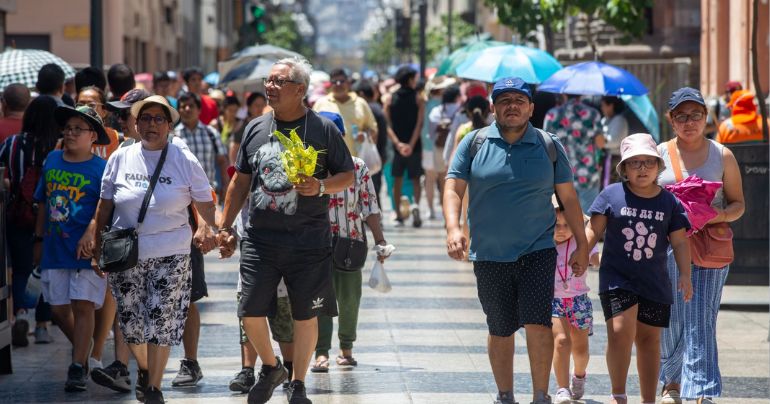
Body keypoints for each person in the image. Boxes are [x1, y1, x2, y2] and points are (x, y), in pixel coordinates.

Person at [216, 56, 355, 404]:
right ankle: (271, 366)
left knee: (305, 313)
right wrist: (225, 226)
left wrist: (320, 187)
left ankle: (298, 383)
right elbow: (240, 182)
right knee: (248, 310)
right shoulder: (254, 127)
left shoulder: (323, 129)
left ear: (300, 90)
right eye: (269, 80)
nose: (270, 87)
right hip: (260, 239)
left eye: (279, 82)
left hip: (308, 241)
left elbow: (347, 175)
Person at [444, 77, 589, 404]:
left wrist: (582, 243)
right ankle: (505, 395)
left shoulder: (549, 145)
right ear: (493, 107)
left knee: (539, 324)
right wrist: (454, 228)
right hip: (489, 253)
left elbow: (569, 197)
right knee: (500, 327)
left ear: (531, 108)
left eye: (519, 100)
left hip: (537, 250)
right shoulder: (474, 142)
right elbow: (453, 187)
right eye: (505, 100)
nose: (512, 106)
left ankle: (541, 396)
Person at [92, 95, 218, 404]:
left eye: (158, 119)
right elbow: (105, 205)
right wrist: (97, 246)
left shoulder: (183, 158)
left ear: (168, 125)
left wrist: (211, 227)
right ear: (135, 124)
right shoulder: (120, 157)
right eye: (145, 118)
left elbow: (205, 201)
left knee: (160, 322)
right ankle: (146, 370)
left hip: (172, 253)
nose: (151, 124)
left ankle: (154, 388)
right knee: (132, 325)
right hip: (127, 255)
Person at [585, 133, 693, 404]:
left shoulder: (669, 202)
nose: (642, 168)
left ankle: (648, 400)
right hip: (617, 278)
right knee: (620, 331)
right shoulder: (611, 195)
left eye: (648, 162)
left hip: (655, 281)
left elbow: (679, 242)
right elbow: (593, 229)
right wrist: (581, 252)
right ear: (623, 168)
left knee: (649, 340)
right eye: (635, 163)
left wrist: (685, 274)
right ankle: (618, 394)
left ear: (659, 166)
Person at [658, 88, 745, 404]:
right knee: (670, 317)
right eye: (681, 115)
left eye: (696, 114)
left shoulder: (722, 155)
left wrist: (713, 214)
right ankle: (671, 381)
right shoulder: (659, 155)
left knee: (701, 318)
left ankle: (701, 391)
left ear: (706, 118)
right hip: (667, 248)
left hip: (709, 248)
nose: (689, 121)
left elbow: (738, 205)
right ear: (671, 119)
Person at [31, 105, 111, 392]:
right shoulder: (52, 160)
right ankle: (84, 345)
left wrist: (92, 231)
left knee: (83, 305)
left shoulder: (101, 168)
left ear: (93, 137)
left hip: (86, 250)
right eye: (68, 128)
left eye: (79, 128)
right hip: (54, 247)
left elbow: (106, 208)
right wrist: (38, 240)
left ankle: (77, 366)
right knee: (58, 308)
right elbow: (42, 201)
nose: (71, 133)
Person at [311, 111, 390, 372]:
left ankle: (346, 349)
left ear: (340, 135)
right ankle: (320, 352)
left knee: (348, 299)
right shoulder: (307, 167)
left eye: (331, 133)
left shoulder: (357, 167)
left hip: (350, 243)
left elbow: (369, 206)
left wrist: (380, 241)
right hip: (316, 245)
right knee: (318, 298)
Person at [0, 96, 61, 347]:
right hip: (51, 218)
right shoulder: (58, 148)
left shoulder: (12, 144)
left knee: (22, 267)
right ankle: (43, 325)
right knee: (45, 269)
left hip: (18, 214)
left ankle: (22, 313)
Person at [550, 197, 600, 404]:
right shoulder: (544, 243)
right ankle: (562, 389)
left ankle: (579, 375)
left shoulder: (582, 242)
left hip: (579, 300)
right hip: (554, 301)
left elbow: (596, 260)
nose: (561, 230)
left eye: (567, 225)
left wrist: (589, 256)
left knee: (580, 350)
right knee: (561, 341)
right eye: (556, 225)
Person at [544, 94, 604, 212]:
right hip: (587, 174)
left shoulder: (552, 114)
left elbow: (546, 145)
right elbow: (600, 143)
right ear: (582, 93)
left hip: (560, 173)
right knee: (588, 218)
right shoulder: (593, 114)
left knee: (562, 217)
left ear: (563, 93)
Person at [385, 66, 424, 227]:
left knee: (397, 179)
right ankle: (415, 204)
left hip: (398, 146)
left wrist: (398, 144)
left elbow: (387, 124)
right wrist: (411, 144)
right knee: (416, 178)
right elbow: (419, 123)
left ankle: (399, 214)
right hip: (414, 145)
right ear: (409, 79)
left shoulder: (389, 98)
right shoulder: (418, 98)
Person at [312, 67, 378, 156]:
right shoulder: (320, 103)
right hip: (328, 163)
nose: (338, 84)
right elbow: (312, 130)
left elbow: (373, 129)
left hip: (356, 162)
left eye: (341, 81)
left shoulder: (361, 103)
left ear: (348, 83)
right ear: (330, 85)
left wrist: (365, 135)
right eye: (334, 82)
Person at [175, 91, 230, 194]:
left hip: (208, 193)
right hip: (180, 195)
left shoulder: (212, 133)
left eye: (191, 106)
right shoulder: (172, 137)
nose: (187, 109)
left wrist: (225, 187)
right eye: (183, 106)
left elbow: (222, 161)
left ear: (199, 109)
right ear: (178, 111)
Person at [353, 80, 390, 209]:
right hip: (378, 155)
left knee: (368, 190)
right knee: (374, 189)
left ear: (361, 94)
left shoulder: (367, 109)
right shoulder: (378, 108)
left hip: (368, 157)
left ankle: (373, 217)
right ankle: (377, 217)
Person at [428, 84, 462, 202]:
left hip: (439, 148)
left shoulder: (436, 111)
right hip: (457, 149)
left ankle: (445, 213)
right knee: (458, 184)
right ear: (457, 96)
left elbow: (431, 134)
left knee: (443, 182)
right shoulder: (461, 110)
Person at [75, 86, 121, 159]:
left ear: (104, 111)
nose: (85, 109)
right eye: (80, 105)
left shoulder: (118, 140)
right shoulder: (68, 140)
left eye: (92, 105)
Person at [230, 91, 268, 163]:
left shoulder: (269, 124)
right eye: (257, 105)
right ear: (249, 107)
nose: (260, 109)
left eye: (263, 105)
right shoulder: (243, 126)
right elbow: (234, 149)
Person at [600, 96, 630, 187]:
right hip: (607, 157)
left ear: (611, 106)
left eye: (603, 105)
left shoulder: (620, 120)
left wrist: (602, 140)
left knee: (612, 185)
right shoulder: (605, 120)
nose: (602, 108)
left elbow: (615, 140)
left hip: (615, 158)